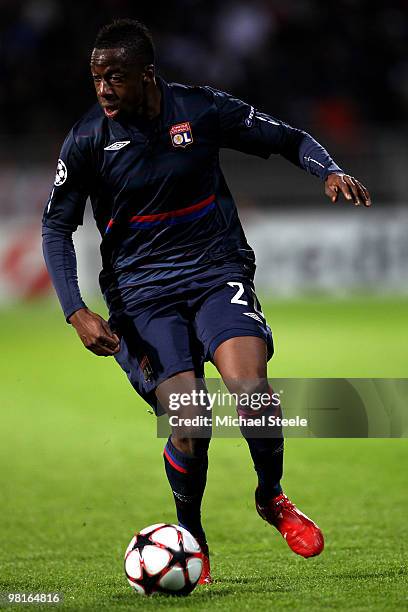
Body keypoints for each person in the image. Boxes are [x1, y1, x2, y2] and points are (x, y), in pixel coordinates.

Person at [42, 18, 371, 585]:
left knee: (254, 395)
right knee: (191, 419)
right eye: (96, 79)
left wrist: (329, 169)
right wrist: (77, 311)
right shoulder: (88, 138)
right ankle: (190, 536)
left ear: (147, 74)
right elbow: (56, 229)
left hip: (215, 272)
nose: (103, 90)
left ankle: (271, 497)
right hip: (142, 296)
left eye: (114, 77)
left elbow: (288, 136)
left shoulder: (200, 109)